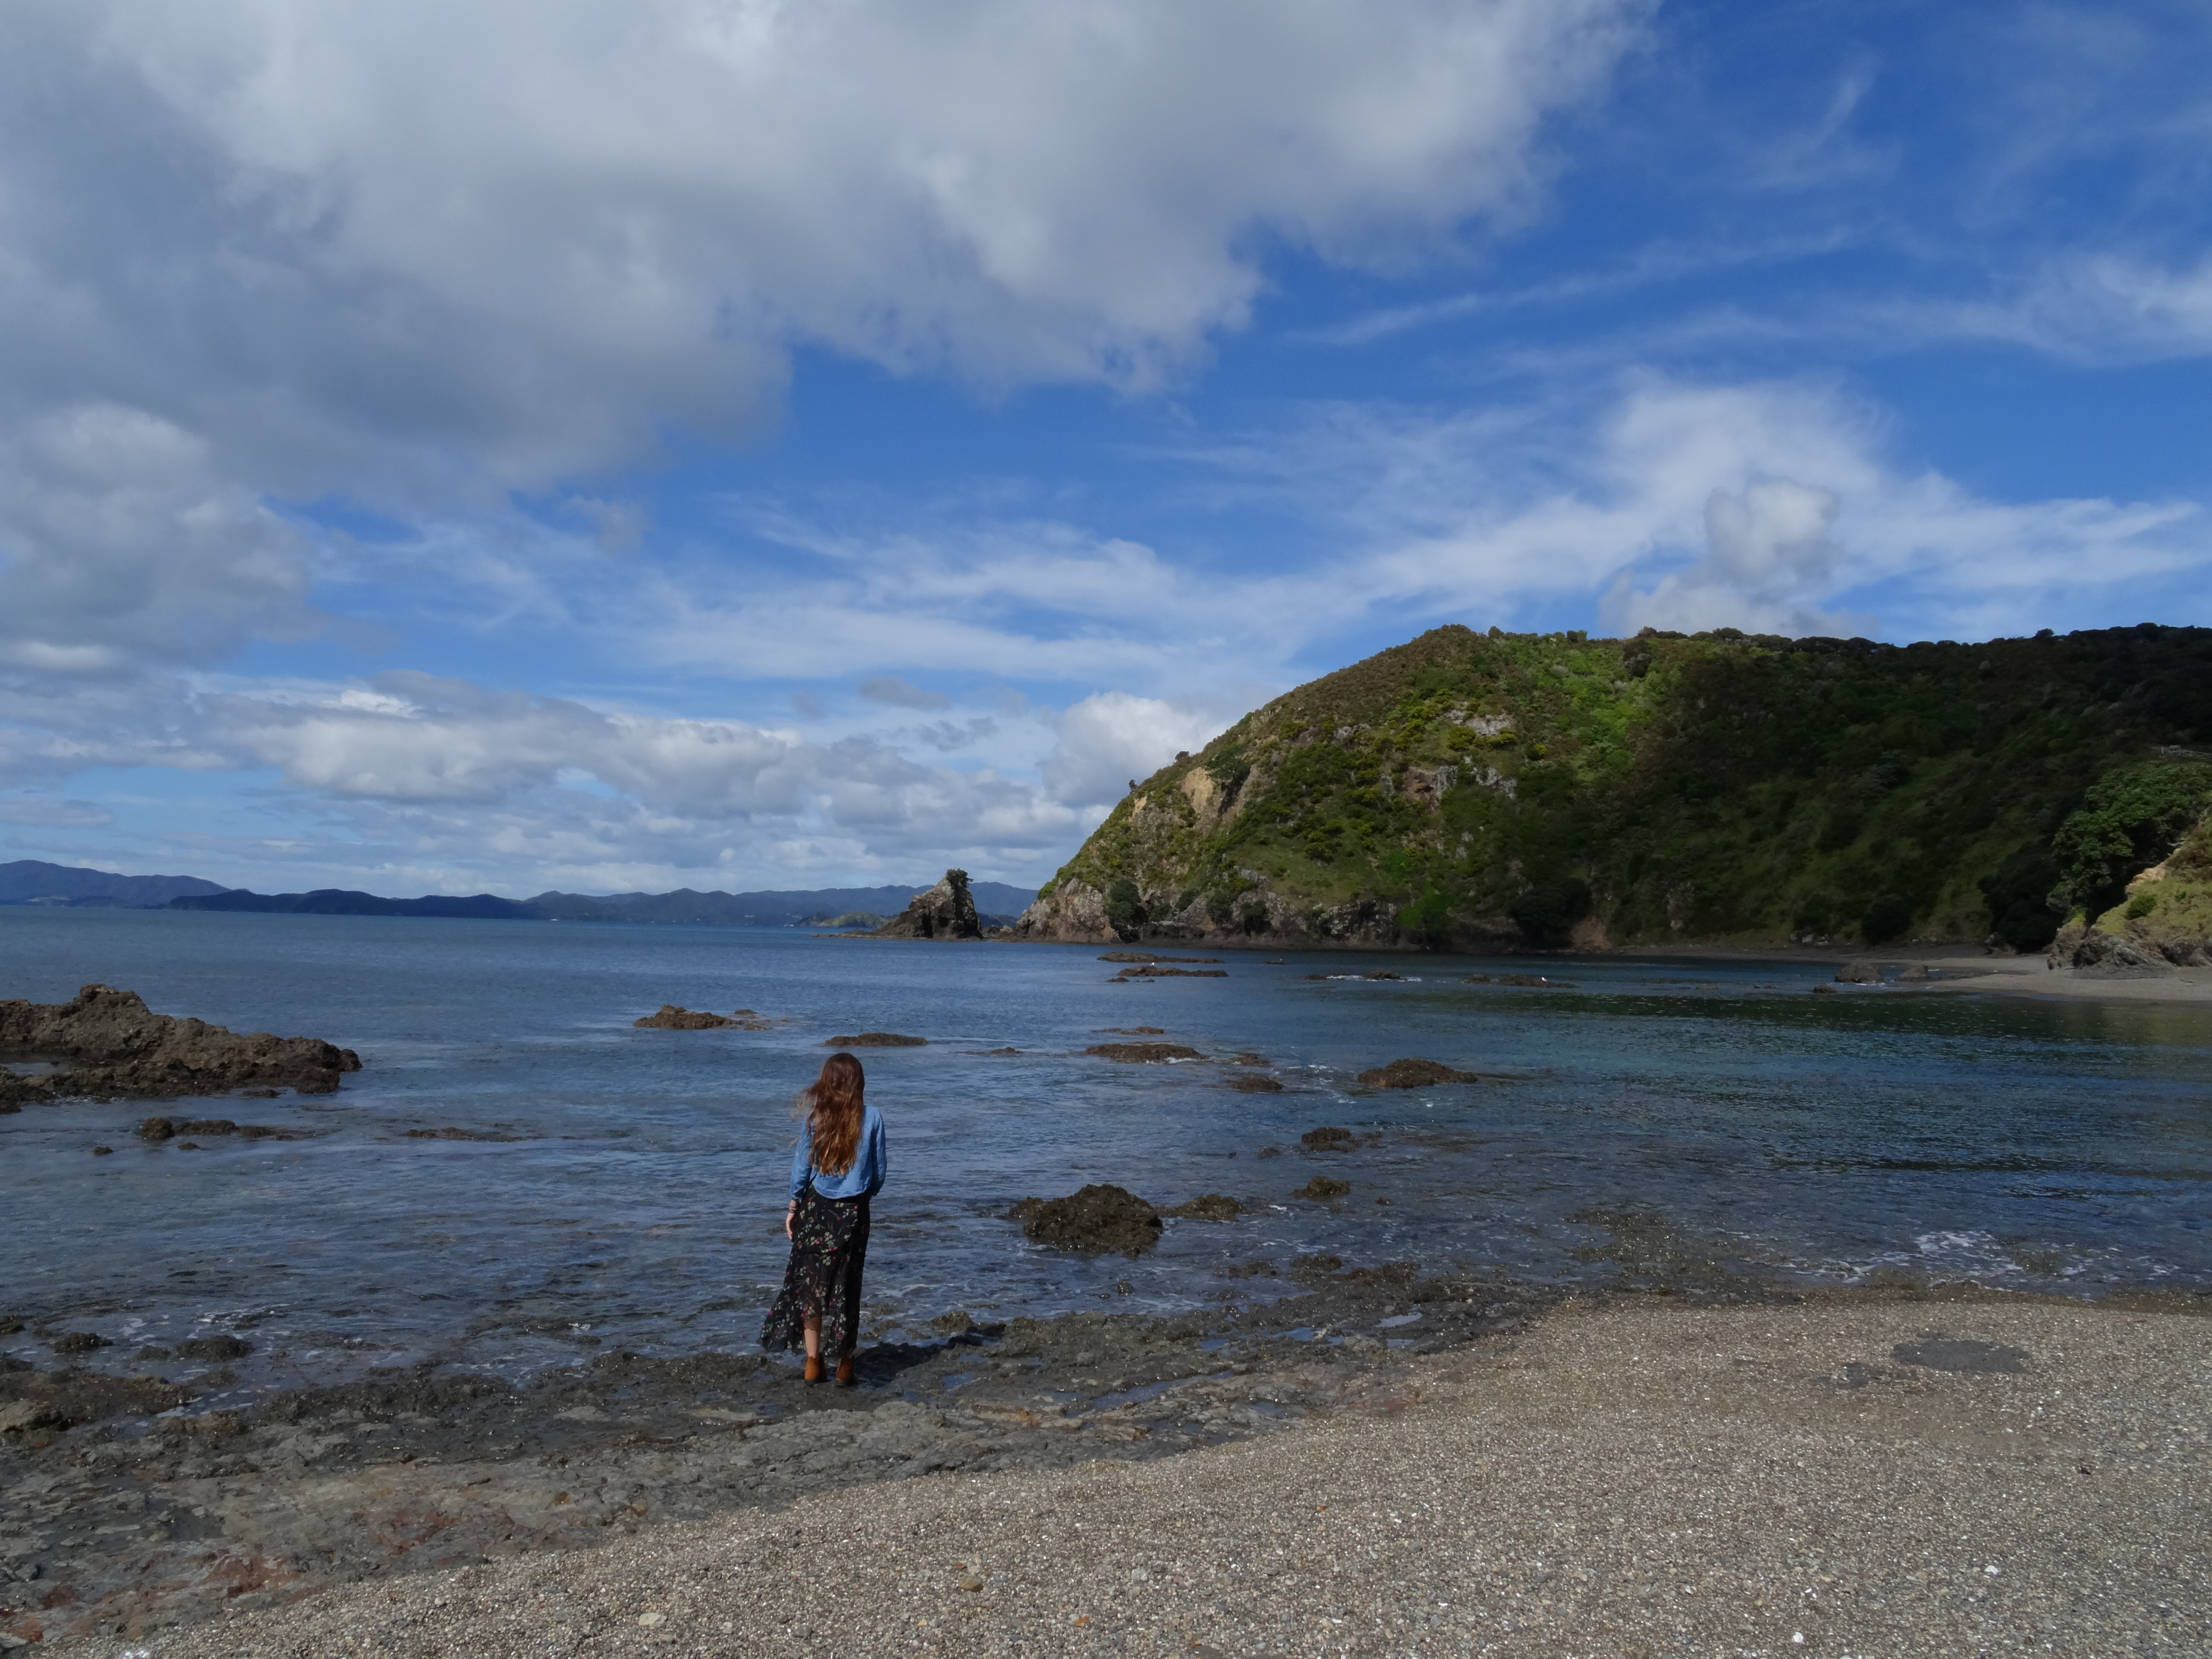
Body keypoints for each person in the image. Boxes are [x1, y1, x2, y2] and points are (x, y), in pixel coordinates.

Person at [760, 1051, 887, 1385]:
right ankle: (846, 1365)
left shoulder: (817, 1118)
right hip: (855, 1211)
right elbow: (879, 1175)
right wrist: (860, 1196)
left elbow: (801, 1171)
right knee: (848, 1286)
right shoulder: (872, 1117)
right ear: (859, 1083)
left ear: (827, 1083)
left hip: (816, 1210)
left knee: (811, 1287)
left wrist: (792, 1209)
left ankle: (813, 1363)